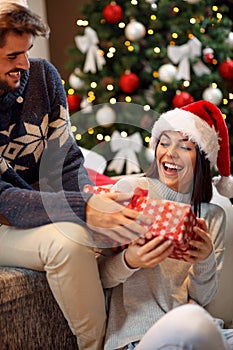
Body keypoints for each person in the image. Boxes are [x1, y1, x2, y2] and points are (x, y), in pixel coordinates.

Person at [0, 2, 153, 349]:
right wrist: (84, 208)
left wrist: (93, 199)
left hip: (43, 206)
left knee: (126, 206)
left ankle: (144, 334)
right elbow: (6, 200)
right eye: (12, 57)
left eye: (27, 52)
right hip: (2, 221)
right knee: (69, 242)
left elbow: (66, 162)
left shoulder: (42, 77)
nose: (23, 65)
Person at [99, 100, 233, 350]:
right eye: (164, 142)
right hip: (136, 337)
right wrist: (130, 260)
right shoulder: (132, 192)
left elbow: (203, 298)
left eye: (185, 146)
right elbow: (100, 277)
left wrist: (204, 259)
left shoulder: (212, 216)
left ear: (202, 158)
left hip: (197, 328)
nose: (170, 153)